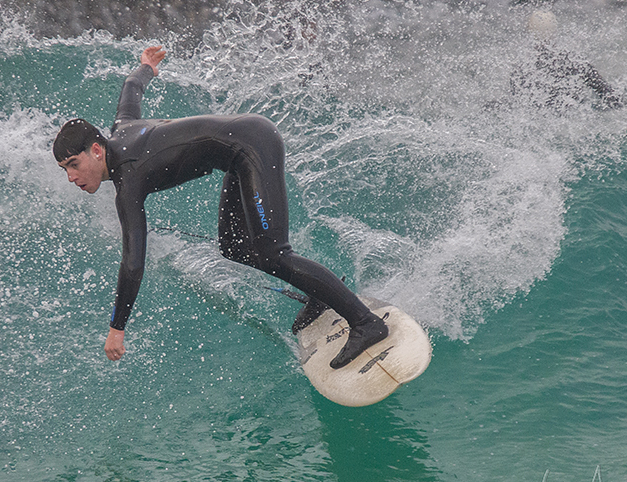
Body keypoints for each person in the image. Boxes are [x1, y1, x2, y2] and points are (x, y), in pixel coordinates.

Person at [54, 46, 388, 369]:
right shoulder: (121, 131)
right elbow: (130, 91)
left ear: (96, 151)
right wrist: (146, 68)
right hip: (238, 153)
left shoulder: (129, 181)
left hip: (252, 146)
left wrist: (117, 328)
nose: (71, 177)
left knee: (274, 253)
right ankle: (320, 294)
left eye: (73, 164)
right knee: (233, 246)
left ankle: (365, 322)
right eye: (64, 169)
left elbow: (133, 262)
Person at [509, 10, 624, 111]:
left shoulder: (522, 69)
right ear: (555, 31)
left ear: (529, 32)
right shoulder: (575, 62)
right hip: (572, 114)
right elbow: (611, 97)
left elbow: (519, 106)